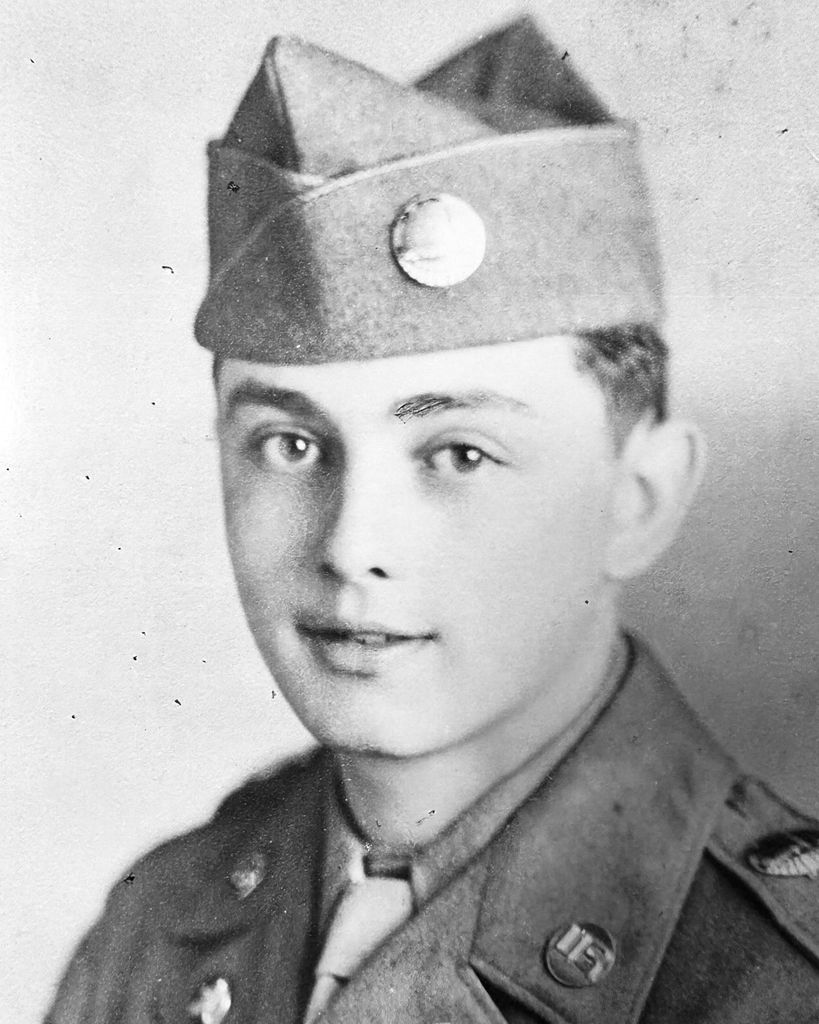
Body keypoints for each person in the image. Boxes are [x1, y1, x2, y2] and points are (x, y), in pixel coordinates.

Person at [46, 16, 819, 1024]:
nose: (352, 546)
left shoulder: (780, 982)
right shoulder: (153, 932)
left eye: (459, 453)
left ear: (639, 498)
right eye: (290, 443)